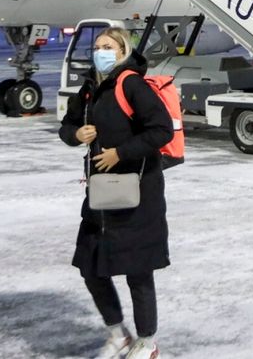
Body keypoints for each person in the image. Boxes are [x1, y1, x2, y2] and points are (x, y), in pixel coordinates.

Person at [59, 27, 173, 359]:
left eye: (108, 46)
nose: (101, 51)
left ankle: (147, 342)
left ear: (122, 50)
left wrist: (119, 153)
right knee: (91, 268)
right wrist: (76, 133)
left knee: (138, 271)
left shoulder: (131, 84)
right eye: (97, 46)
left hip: (138, 193)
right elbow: (66, 126)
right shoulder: (89, 89)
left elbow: (161, 129)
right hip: (100, 196)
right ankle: (117, 334)